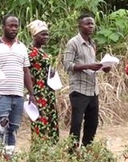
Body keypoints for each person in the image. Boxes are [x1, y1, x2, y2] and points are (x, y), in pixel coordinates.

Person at [0, 14, 35, 156]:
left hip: (18, 95)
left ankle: (9, 159)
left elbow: (26, 72)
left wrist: (31, 93)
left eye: (16, 26)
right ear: (3, 27)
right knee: (0, 127)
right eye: (10, 26)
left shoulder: (22, 47)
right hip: (0, 94)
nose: (13, 28)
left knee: (13, 128)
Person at [63, 14, 108, 148]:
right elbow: (67, 65)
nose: (90, 26)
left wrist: (103, 67)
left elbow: (92, 65)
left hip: (93, 90)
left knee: (92, 123)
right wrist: (88, 66)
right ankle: (72, 152)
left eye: (92, 24)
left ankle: (86, 150)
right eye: (87, 24)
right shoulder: (73, 43)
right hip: (79, 89)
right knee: (76, 123)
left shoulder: (92, 43)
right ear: (79, 26)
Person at [26, 20, 59, 143]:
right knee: (41, 121)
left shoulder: (41, 51)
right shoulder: (30, 52)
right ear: (34, 35)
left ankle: (50, 152)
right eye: (43, 34)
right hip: (39, 92)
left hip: (47, 91)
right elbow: (26, 72)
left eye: (47, 34)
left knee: (49, 120)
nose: (46, 37)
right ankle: (40, 151)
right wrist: (31, 92)